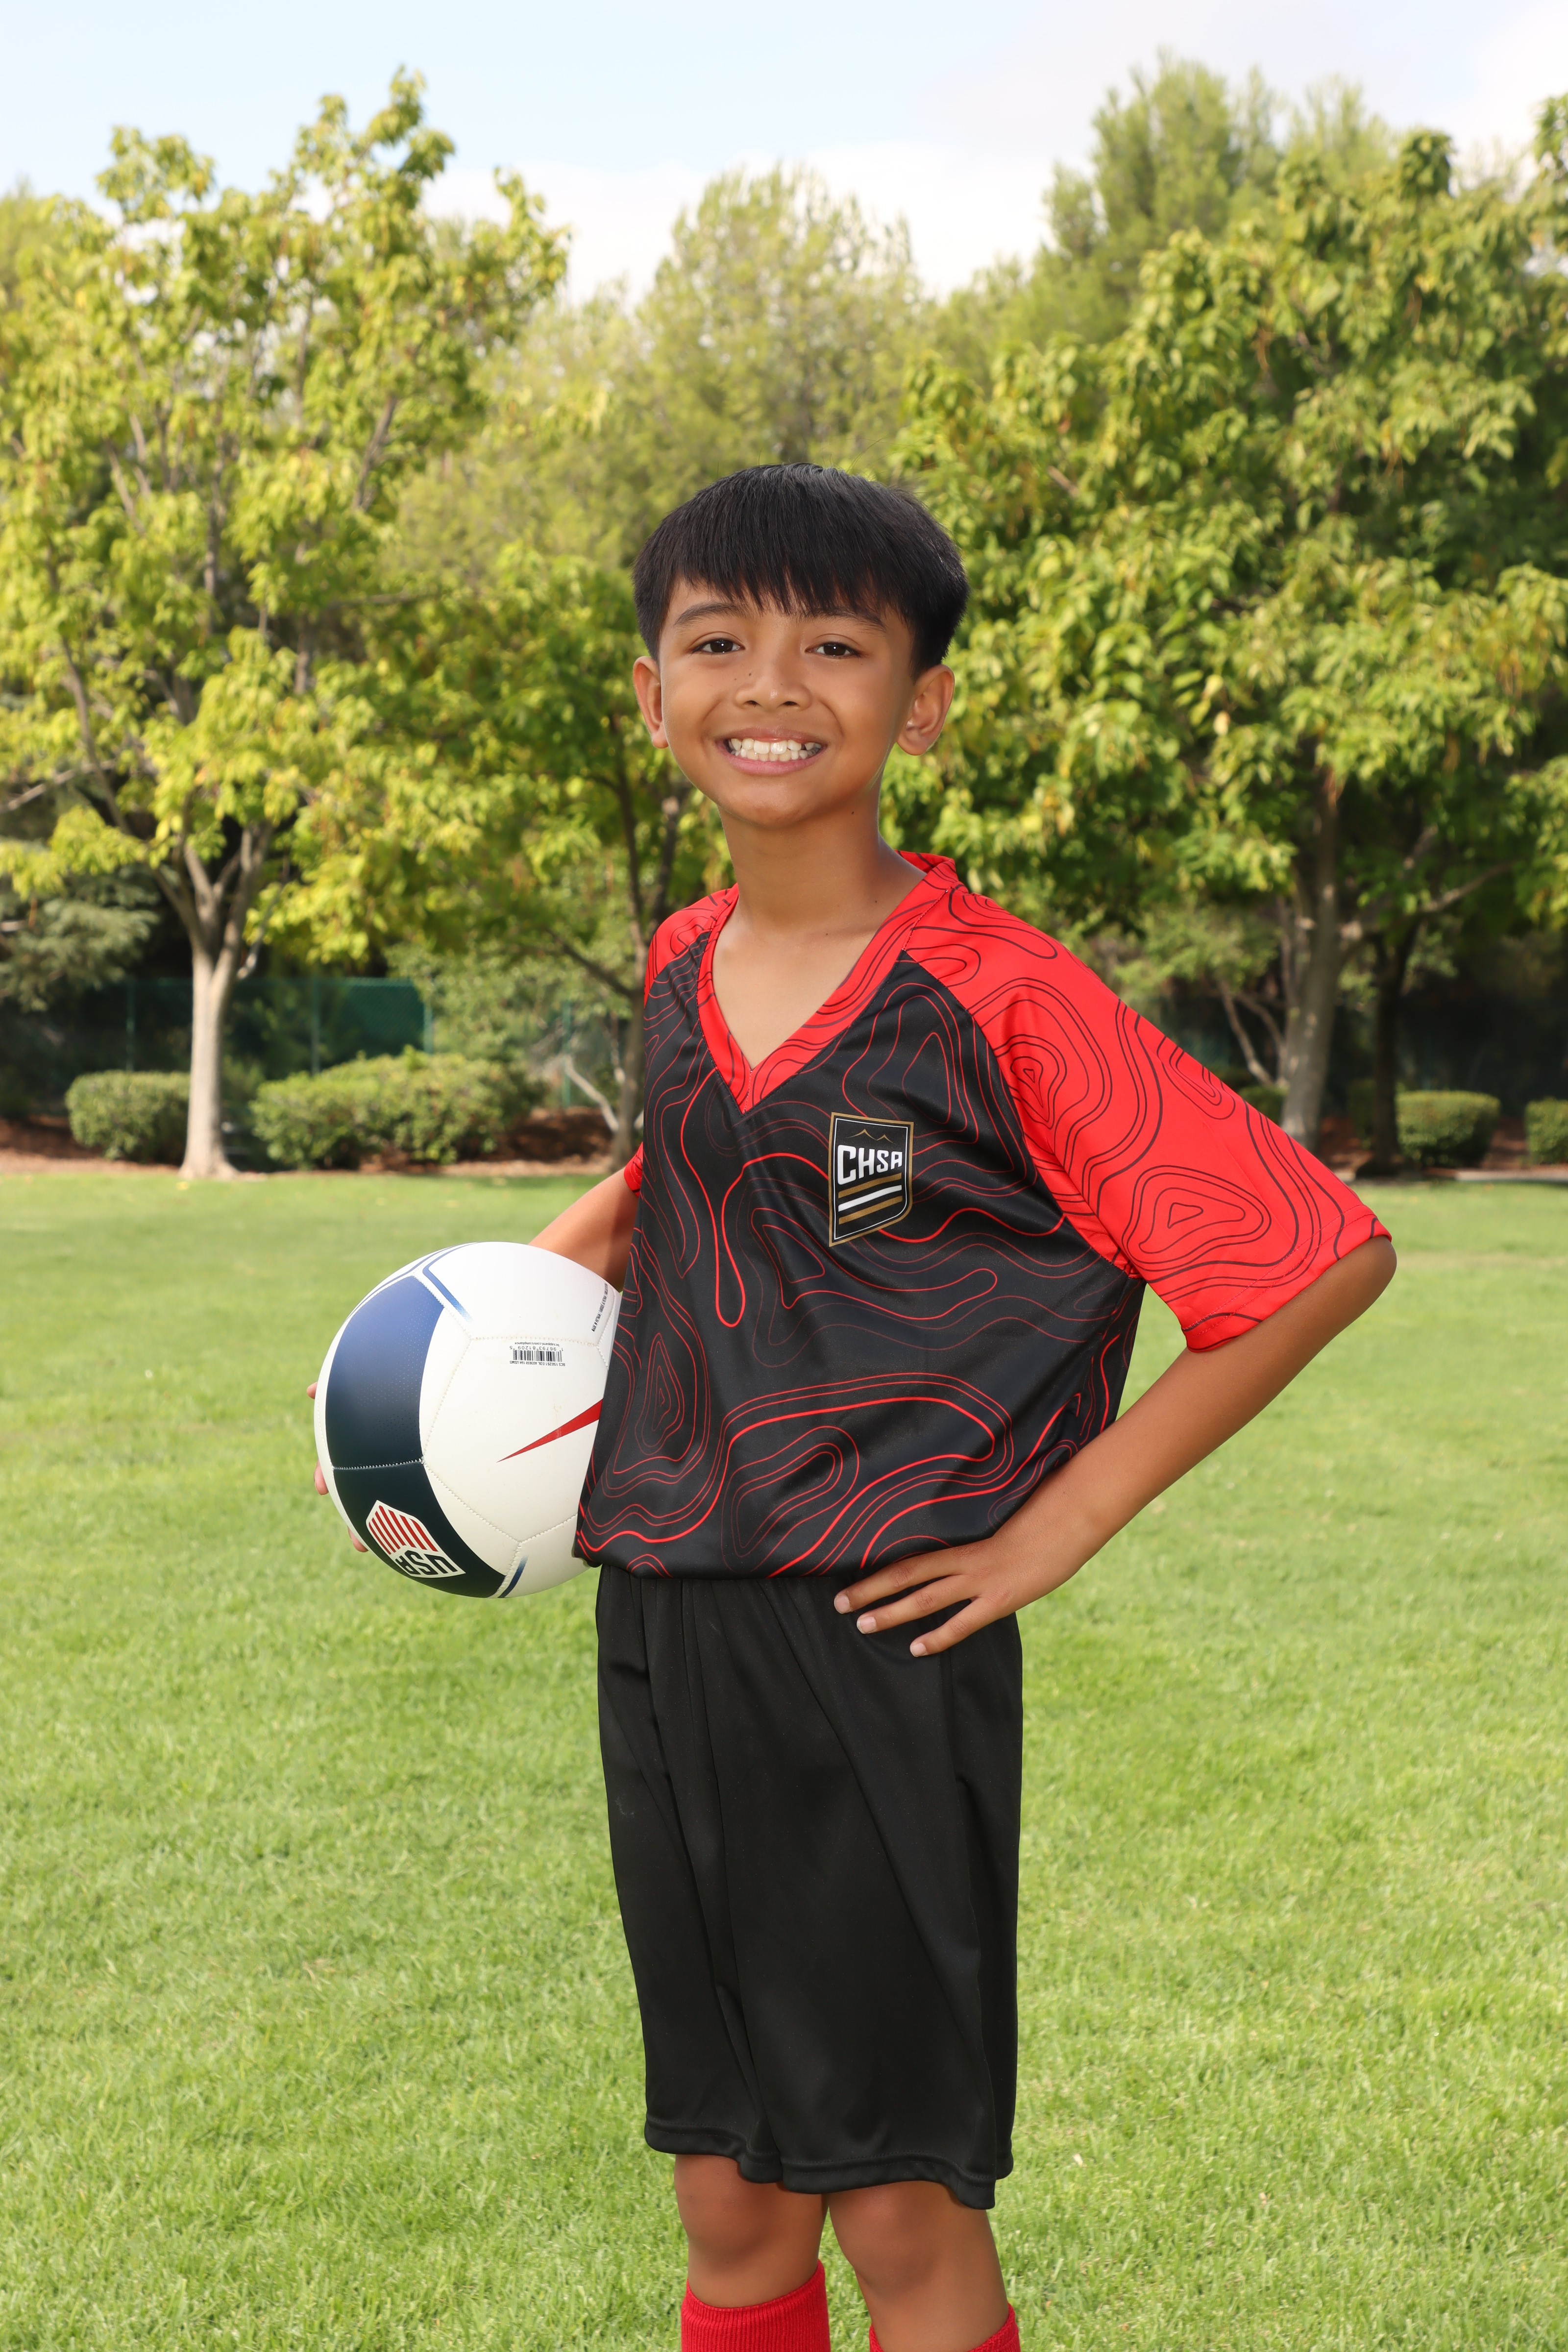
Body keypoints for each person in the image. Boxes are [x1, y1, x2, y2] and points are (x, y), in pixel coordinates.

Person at [322, 464, 1396, 2352]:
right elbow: (687, 1168)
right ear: (651, 692)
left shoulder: (1003, 996)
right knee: (731, 2191)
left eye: (834, 644)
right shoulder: (682, 965)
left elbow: (1314, 1255)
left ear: (925, 698)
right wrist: (485, 1320)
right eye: (718, 640)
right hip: (668, 1627)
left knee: (897, 2205)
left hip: (879, 1646)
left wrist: (1060, 1524)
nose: (770, 683)